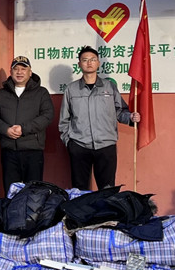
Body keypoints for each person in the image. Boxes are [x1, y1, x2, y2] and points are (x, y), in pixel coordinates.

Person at [59, 46, 141, 190]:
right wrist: (70, 143)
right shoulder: (71, 89)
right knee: (79, 190)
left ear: (98, 63)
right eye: (85, 60)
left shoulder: (109, 87)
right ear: (79, 64)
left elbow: (120, 111)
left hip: (106, 146)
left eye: (93, 59)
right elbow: (64, 120)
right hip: (79, 145)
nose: (89, 63)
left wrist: (130, 117)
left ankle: (106, 207)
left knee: (107, 190)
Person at [0, 55, 54, 194]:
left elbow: (47, 116)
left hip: (33, 150)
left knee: (34, 192)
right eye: (16, 69)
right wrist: (6, 130)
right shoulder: (2, 94)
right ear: (11, 72)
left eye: (23, 69)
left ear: (30, 72)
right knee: (11, 192)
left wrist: (23, 129)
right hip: (9, 151)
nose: (19, 72)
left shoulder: (41, 93)